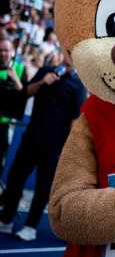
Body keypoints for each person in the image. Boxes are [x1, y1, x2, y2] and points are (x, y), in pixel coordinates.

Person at [0, 50, 85, 241]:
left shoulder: (78, 86)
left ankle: (30, 226)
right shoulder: (46, 70)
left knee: (42, 188)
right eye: (68, 51)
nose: (70, 55)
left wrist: (68, 150)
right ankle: (6, 219)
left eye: (74, 52)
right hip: (31, 138)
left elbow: (74, 121)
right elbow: (26, 93)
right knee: (15, 179)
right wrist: (42, 82)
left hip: (54, 147)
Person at [0, 37, 27, 184]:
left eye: (6, 50)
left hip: (5, 123)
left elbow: (24, 94)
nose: (4, 53)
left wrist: (15, 79)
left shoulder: (19, 68)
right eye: (1, 50)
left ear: (12, 52)